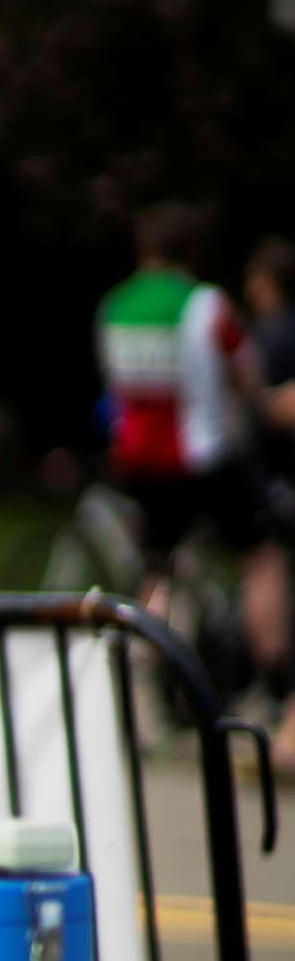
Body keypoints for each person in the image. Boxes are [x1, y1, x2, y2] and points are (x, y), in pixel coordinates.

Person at [94, 204, 293, 728]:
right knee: (261, 559)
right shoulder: (204, 305)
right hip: (203, 456)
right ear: (192, 251)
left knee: (157, 569)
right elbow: (247, 374)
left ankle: (144, 684)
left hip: (139, 461)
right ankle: (275, 685)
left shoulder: (116, 306)